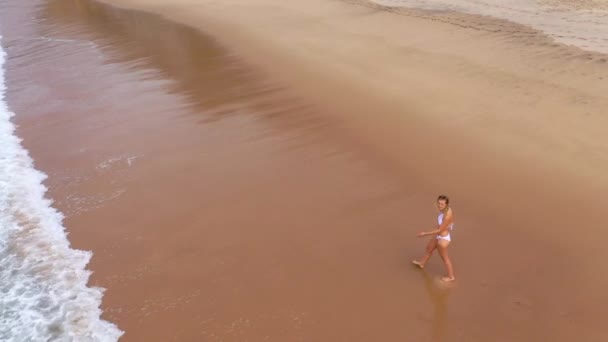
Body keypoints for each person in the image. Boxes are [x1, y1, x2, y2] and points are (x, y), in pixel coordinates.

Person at [412, 195, 456, 282]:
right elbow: (447, 225)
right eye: (439, 203)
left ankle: (451, 277)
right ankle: (422, 263)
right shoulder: (445, 210)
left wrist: (424, 233)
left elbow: (440, 229)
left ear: (447, 204)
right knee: (429, 249)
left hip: (443, 239)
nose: (440, 205)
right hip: (438, 235)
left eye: (442, 204)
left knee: (445, 258)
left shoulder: (447, 215)